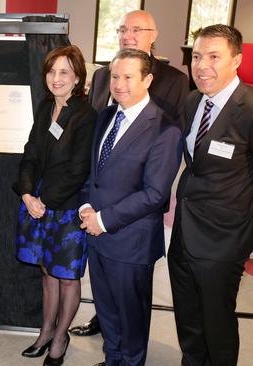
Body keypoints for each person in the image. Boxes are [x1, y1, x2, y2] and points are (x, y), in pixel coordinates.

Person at [70, 9, 189, 338]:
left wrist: (107, 216)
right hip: (98, 210)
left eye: (136, 29)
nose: (128, 34)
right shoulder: (105, 79)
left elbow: (161, 164)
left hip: (133, 218)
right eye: (123, 28)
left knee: (131, 308)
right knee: (108, 304)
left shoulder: (173, 82)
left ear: (153, 35)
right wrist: (87, 204)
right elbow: (95, 147)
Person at [168, 24, 252, 366]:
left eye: (214, 57)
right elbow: (194, 164)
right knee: (187, 319)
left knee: (217, 324)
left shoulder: (249, 107)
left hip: (224, 239)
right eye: (197, 56)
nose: (202, 66)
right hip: (184, 232)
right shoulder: (192, 101)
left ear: (237, 60)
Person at [15, 45, 96, 366]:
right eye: (51, 71)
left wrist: (44, 202)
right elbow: (30, 153)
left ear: (77, 77)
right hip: (38, 203)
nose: (56, 78)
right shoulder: (45, 108)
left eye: (64, 72)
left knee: (67, 276)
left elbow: (78, 170)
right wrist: (25, 194)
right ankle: (46, 331)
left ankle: (61, 337)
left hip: (66, 208)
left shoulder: (85, 115)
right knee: (48, 273)